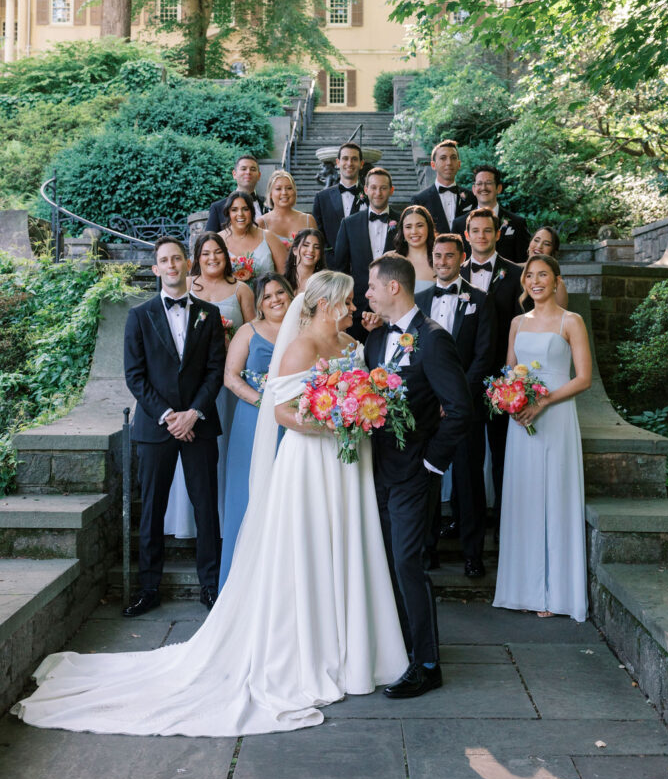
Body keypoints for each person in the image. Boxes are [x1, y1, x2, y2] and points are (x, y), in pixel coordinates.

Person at [12, 272, 408, 736]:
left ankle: (354, 647)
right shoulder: (299, 347)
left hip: (347, 462)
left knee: (349, 544)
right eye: (345, 298)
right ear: (324, 303)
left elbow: (361, 393)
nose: (352, 303)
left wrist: (359, 412)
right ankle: (312, 648)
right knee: (312, 548)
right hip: (312, 461)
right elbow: (281, 410)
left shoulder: (352, 343)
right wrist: (334, 423)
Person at [365, 253, 475, 699]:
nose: (366, 292)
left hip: (415, 472)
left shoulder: (433, 339)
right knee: (389, 562)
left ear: (394, 287)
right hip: (378, 469)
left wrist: (433, 463)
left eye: (371, 285)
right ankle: (402, 649)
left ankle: (428, 663)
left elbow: (460, 408)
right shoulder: (374, 341)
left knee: (409, 563)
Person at [122, 236, 225, 616]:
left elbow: (216, 371)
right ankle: (148, 588)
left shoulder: (209, 315)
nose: (171, 265)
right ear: (156, 268)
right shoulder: (139, 315)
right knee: (152, 509)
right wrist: (169, 416)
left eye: (177, 258)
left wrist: (193, 413)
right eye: (164, 260)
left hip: (199, 425)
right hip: (155, 427)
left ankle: (210, 586)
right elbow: (134, 376)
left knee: (206, 507)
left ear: (187, 265)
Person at [493, 255, 591, 620]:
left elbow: (583, 378)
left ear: (556, 280)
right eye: (529, 276)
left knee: (555, 494)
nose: (535, 281)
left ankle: (556, 592)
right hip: (522, 420)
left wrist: (544, 401)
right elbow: (507, 370)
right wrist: (509, 398)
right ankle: (525, 589)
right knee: (526, 496)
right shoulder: (518, 322)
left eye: (543, 275)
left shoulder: (572, 321)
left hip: (556, 416)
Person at [164, 233, 255, 540]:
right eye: (205, 253)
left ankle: (227, 519)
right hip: (192, 384)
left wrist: (230, 340)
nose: (212, 258)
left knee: (227, 448)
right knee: (193, 452)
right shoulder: (187, 288)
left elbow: (254, 334)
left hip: (228, 383)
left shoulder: (241, 290)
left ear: (226, 256)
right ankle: (190, 521)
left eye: (218, 252)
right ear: (196, 258)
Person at [417, 233, 496, 576]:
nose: (443, 262)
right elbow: (412, 352)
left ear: (461, 258)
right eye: (437, 256)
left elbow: (484, 356)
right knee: (427, 478)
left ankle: (472, 554)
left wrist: (455, 398)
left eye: (450, 256)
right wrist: (431, 400)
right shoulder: (417, 300)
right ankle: (427, 548)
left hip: (464, 409)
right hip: (426, 409)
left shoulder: (481, 300)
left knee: (468, 480)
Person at [219, 273, 294, 585]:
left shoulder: (303, 331)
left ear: (291, 295)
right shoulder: (249, 332)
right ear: (260, 304)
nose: (275, 299)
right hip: (253, 422)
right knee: (248, 494)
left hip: (293, 424)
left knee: (287, 497)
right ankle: (239, 583)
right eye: (267, 296)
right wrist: (263, 403)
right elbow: (231, 377)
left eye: (281, 293)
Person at [459, 208, 523, 538]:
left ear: (498, 235)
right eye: (475, 230)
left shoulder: (516, 274)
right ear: (466, 235)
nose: (481, 236)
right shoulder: (454, 274)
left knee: (502, 457)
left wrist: (514, 379)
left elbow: (523, 326)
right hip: (466, 383)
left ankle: (504, 525)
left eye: (488, 231)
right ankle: (466, 526)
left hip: (502, 383)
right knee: (467, 462)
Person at [333, 167, 400, 339]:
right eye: (374, 187)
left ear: (391, 190)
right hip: (357, 309)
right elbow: (340, 269)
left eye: (383, 188)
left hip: (394, 308)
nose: (378, 192)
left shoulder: (402, 223)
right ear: (366, 189)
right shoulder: (349, 224)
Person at [453, 165, 530, 263]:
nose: (484, 188)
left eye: (488, 183)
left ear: (499, 188)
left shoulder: (517, 223)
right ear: (474, 189)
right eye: (479, 184)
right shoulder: (459, 224)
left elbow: (524, 263)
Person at [218, 190, 287, 285]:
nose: (240, 214)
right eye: (234, 210)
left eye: (245, 209)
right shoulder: (218, 240)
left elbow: (285, 277)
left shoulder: (269, 237)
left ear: (252, 211)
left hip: (267, 298)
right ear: (228, 213)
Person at [312, 142, 367, 262]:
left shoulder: (371, 196)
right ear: (338, 163)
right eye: (345, 159)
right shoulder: (321, 198)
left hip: (363, 267)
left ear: (361, 164)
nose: (349, 163)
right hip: (331, 267)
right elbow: (317, 234)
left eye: (354, 159)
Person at [410, 139, 476, 233]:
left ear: (459, 164)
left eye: (453, 158)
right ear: (433, 165)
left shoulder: (472, 197)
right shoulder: (419, 200)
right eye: (443, 158)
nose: (449, 162)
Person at [205, 154, 268, 231]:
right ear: (234, 174)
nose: (248, 172)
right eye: (243, 169)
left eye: (253, 169)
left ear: (259, 175)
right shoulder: (218, 207)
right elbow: (209, 240)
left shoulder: (268, 204)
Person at [256, 170, 317, 248]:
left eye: (289, 188)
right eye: (278, 189)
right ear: (270, 194)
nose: (284, 192)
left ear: (294, 192)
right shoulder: (261, 223)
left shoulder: (308, 220)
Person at [393, 204, 437, 295]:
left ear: (429, 228)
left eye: (420, 225)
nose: (414, 232)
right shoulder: (390, 259)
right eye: (408, 227)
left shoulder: (440, 261)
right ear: (402, 230)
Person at [522, 226, 568, 309]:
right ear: (529, 244)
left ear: (553, 252)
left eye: (546, 244)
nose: (539, 246)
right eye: (536, 240)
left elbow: (561, 319)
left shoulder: (557, 283)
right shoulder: (511, 269)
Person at [283, 228, 327, 295]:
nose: (311, 250)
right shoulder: (282, 281)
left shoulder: (325, 283)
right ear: (295, 250)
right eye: (306, 245)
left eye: (317, 247)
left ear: (320, 254)